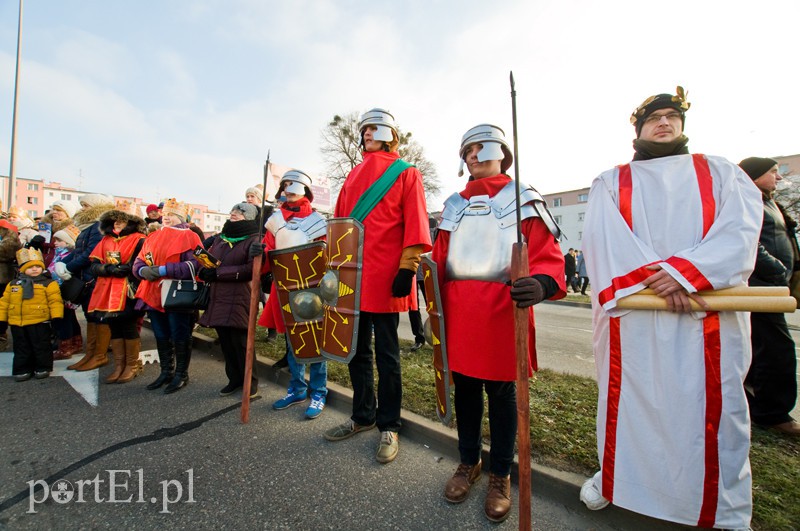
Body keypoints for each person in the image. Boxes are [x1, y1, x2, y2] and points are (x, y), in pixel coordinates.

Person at [580, 87, 761, 529]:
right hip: (635, 315)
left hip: (707, 313)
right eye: (654, 118)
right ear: (638, 128)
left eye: (671, 116)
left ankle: (724, 509)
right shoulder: (611, 182)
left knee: (712, 410)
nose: (664, 123)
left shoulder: (721, 173)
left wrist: (689, 272)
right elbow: (603, 241)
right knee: (634, 404)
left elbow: (739, 231)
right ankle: (620, 482)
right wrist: (665, 281)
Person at [433, 124, 565, 522]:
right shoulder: (454, 205)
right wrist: (426, 290)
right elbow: (440, 258)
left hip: (502, 311)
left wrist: (541, 282)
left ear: (501, 153)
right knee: (467, 389)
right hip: (460, 311)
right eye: (467, 150)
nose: (473, 155)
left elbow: (546, 255)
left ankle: (500, 473)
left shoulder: (522, 199)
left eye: (481, 148)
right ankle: (469, 461)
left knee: (502, 395)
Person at [323, 108, 432, 464]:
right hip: (351, 275)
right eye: (364, 128)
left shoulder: (407, 172)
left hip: (387, 276)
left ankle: (389, 424)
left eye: (373, 128)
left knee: (387, 355)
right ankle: (362, 415)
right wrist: (333, 267)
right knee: (355, 352)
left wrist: (408, 267)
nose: (367, 133)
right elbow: (339, 223)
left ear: (389, 134)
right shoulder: (353, 173)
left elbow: (415, 221)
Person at [257, 171, 328, 419]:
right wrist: (260, 253)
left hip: (312, 288)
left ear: (305, 189)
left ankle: (318, 392)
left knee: (317, 341)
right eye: (285, 185)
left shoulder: (319, 220)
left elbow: (325, 256)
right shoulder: (275, 220)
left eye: (293, 184)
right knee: (292, 341)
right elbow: (267, 257)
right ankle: (297, 389)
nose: (289, 188)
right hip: (284, 287)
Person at [739, 157, 799, 436]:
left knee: (758, 347)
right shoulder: (747, 200)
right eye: (772, 172)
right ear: (755, 175)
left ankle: (756, 406)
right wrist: (777, 269)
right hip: (760, 285)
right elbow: (749, 241)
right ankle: (773, 412)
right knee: (776, 349)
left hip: (772, 284)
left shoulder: (769, 201)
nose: (778, 177)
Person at [133, 198, 202, 394]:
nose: (166, 218)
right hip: (153, 292)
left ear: (180, 217)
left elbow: (195, 265)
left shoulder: (190, 236)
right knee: (161, 334)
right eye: (166, 215)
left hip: (176, 293)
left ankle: (181, 373)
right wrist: (141, 271)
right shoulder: (153, 236)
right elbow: (139, 261)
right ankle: (166, 371)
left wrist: (164, 270)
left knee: (179, 334)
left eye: (171, 215)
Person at [197, 202, 261, 398]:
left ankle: (250, 382)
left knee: (241, 342)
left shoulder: (254, 240)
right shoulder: (220, 239)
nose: (233, 213)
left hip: (240, 296)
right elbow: (207, 261)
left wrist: (217, 274)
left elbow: (250, 270)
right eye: (233, 210)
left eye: (240, 212)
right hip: (219, 297)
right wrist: (204, 271)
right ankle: (233, 379)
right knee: (225, 341)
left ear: (249, 217)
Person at [86, 201, 147, 384]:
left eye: (122, 220)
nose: (117, 224)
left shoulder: (140, 239)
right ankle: (119, 365)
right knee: (113, 326)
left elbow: (140, 263)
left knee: (128, 325)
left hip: (127, 289)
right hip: (106, 289)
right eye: (114, 220)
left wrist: (125, 269)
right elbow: (94, 264)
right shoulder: (106, 240)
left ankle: (132, 365)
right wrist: (107, 269)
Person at [55, 193, 116, 372]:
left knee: (97, 315)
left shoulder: (99, 227)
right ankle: (91, 354)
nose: (82, 208)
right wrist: (64, 263)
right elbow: (78, 250)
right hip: (86, 277)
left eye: (85, 205)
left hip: (95, 278)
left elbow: (91, 252)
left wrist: (69, 267)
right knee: (91, 316)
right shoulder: (88, 227)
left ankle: (99, 355)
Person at [0, 248, 64, 381]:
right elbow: (4, 302)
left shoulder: (48, 284)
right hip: (18, 322)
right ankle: (22, 369)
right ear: (21, 269)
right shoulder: (13, 284)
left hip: (39, 321)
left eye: (37, 266)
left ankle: (43, 367)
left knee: (41, 345)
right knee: (21, 347)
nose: (35, 269)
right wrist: (2, 319)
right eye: (30, 267)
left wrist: (56, 316)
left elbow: (55, 301)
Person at [48, 224, 83, 360]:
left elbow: (63, 271)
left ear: (68, 242)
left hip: (64, 290)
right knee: (69, 318)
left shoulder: (68, 255)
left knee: (63, 319)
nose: (55, 243)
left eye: (59, 240)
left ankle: (66, 346)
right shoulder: (59, 253)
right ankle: (75, 342)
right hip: (58, 289)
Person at [0, 219, 22, 345]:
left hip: (2, 277)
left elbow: (8, 250)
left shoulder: (8, 230)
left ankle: (1, 337)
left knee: (1, 307)